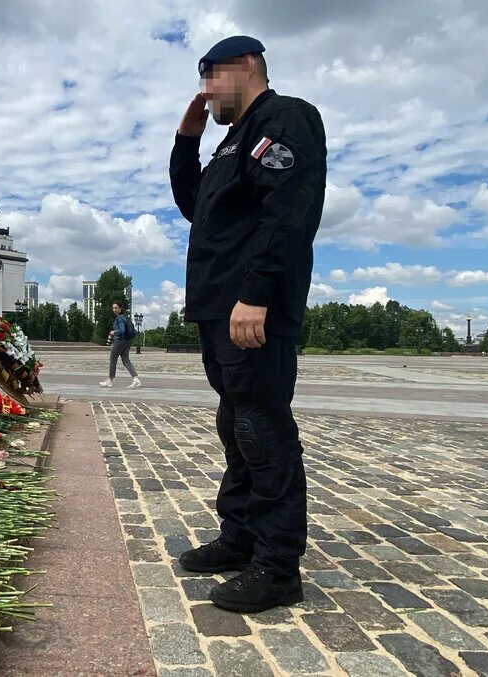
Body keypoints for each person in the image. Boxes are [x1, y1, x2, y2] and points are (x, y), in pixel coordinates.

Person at [169, 35, 325, 613]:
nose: (205, 91)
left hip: (252, 309)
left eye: (211, 77)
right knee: (236, 424)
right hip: (219, 307)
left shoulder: (285, 118)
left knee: (262, 428)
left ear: (248, 66)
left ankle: (279, 565)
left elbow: (289, 209)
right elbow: (196, 206)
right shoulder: (231, 140)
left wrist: (257, 293)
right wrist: (188, 140)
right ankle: (239, 537)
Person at [100, 302, 141, 389]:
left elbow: (122, 330)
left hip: (119, 341)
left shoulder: (119, 318)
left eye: (116, 308)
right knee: (126, 360)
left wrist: (114, 332)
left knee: (112, 360)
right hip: (127, 342)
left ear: (120, 308)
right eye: (113, 308)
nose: (114, 310)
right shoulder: (126, 318)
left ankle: (110, 381)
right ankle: (136, 379)